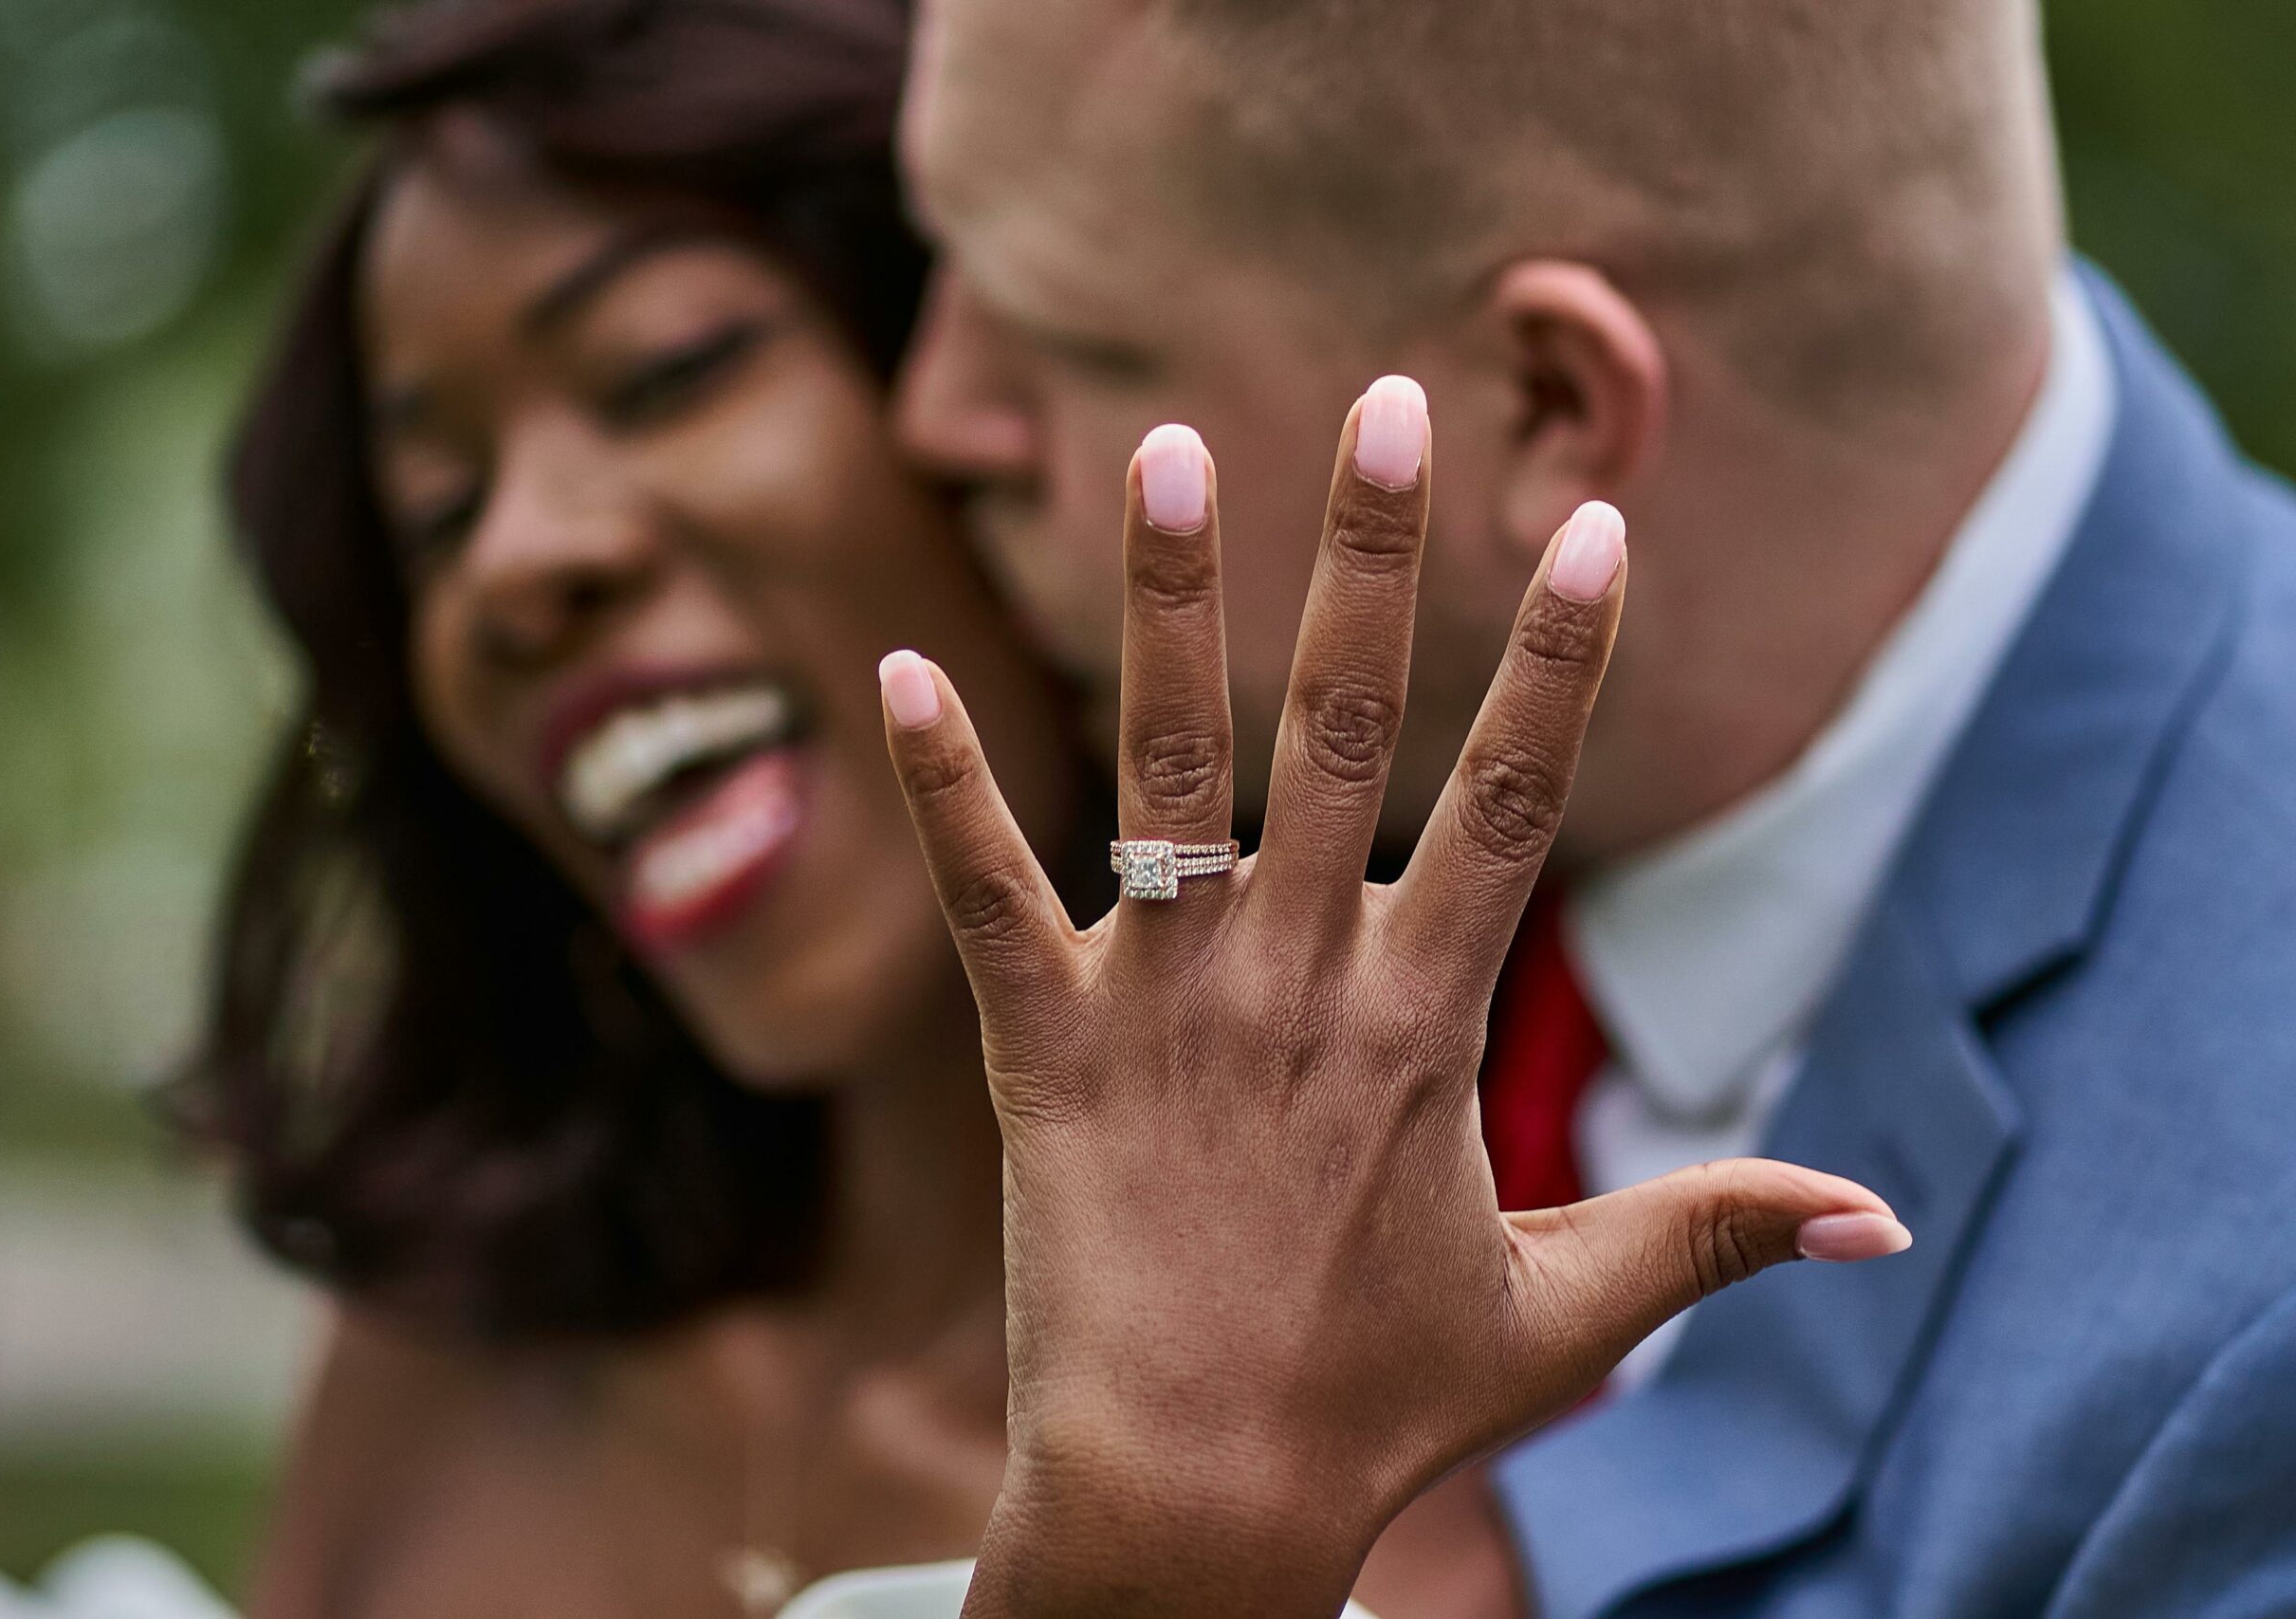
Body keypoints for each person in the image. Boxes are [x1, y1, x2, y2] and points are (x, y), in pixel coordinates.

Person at [883, 0, 2296, 1613]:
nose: (932, 412)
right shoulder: (1349, 777)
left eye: (1075, 345)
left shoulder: (2246, 1350)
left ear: (1551, 404)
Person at [183, 1, 1084, 1612]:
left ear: (989, 382)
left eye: (666, 371)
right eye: (436, 514)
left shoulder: (1441, 1451)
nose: (513, 562)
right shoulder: (432, 1377)